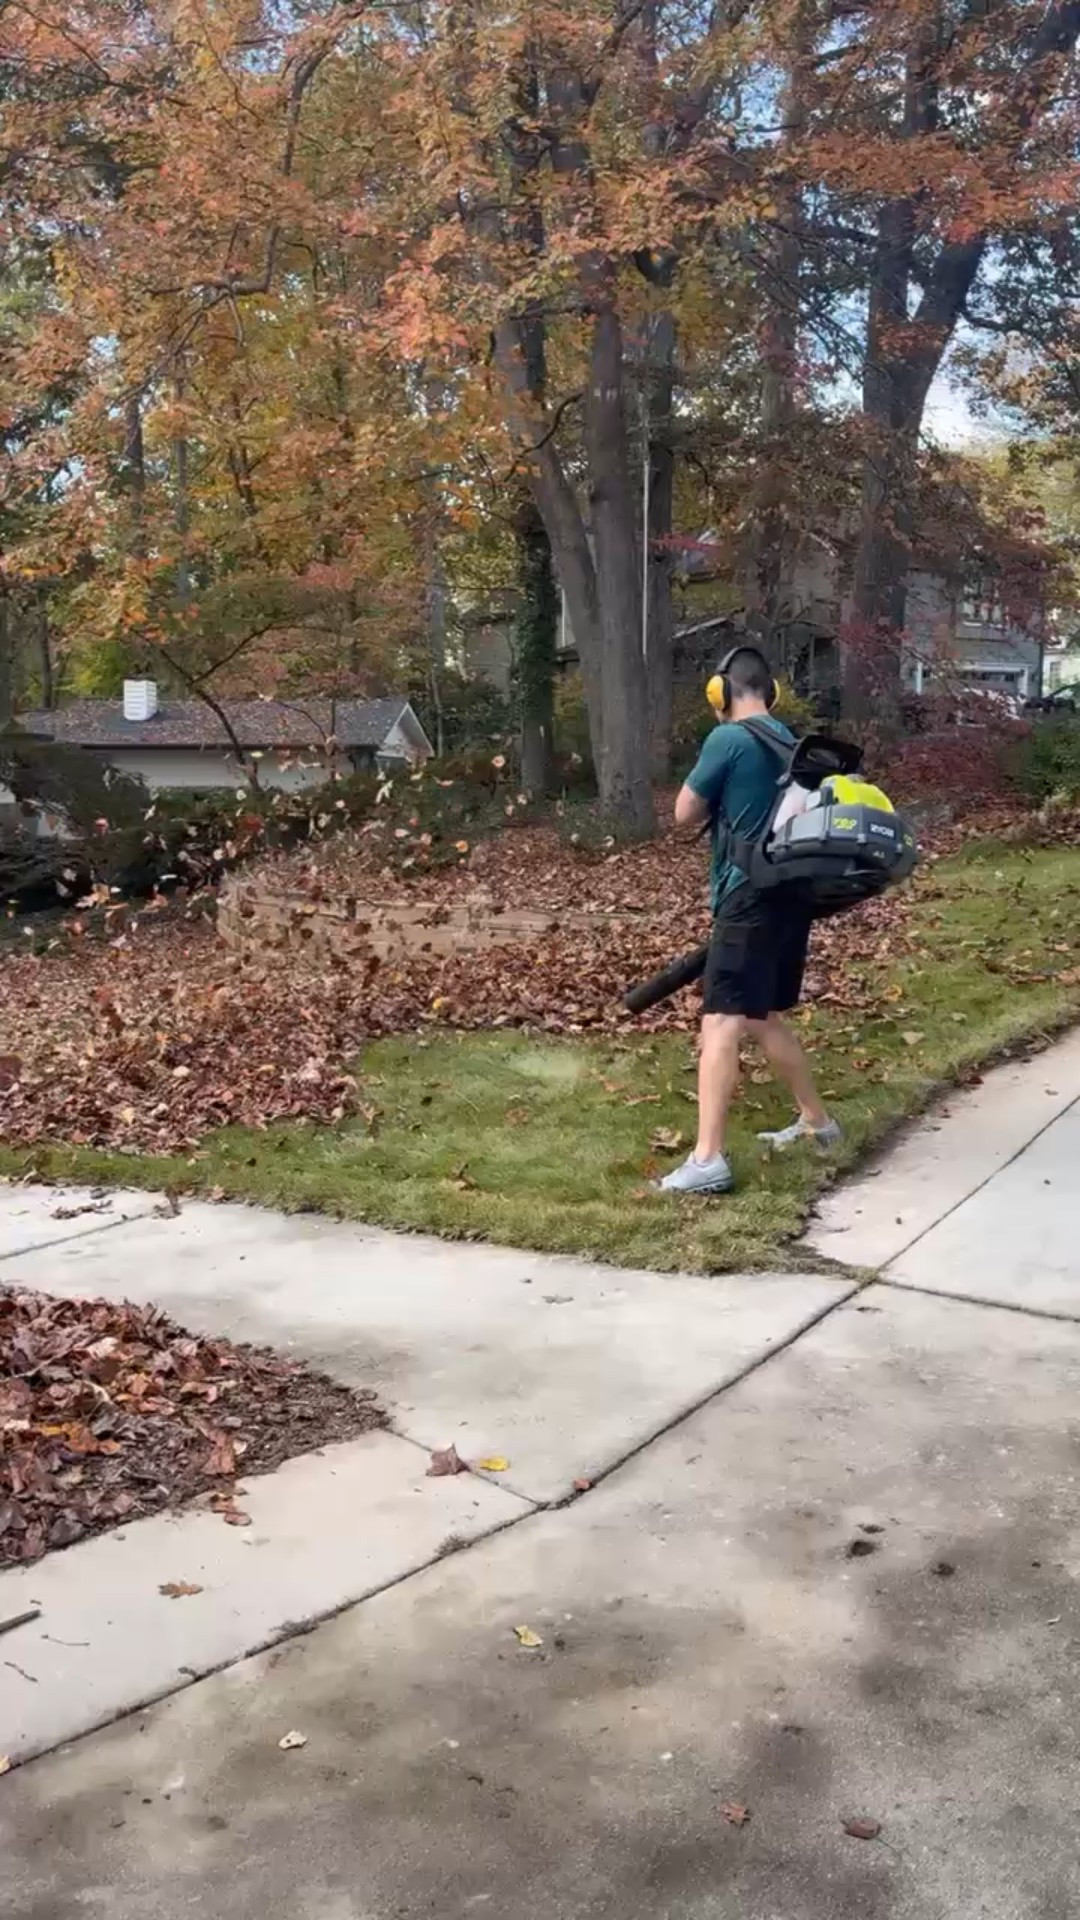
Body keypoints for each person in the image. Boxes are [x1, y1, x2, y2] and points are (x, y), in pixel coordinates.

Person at [660, 645, 841, 1195]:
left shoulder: (728, 738)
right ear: (771, 692)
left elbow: (683, 813)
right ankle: (818, 1124)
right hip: (792, 895)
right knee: (759, 1015)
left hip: (747, 896)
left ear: (722, 693)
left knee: (720, 1021)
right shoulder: (793, 743)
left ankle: (708, 1160)